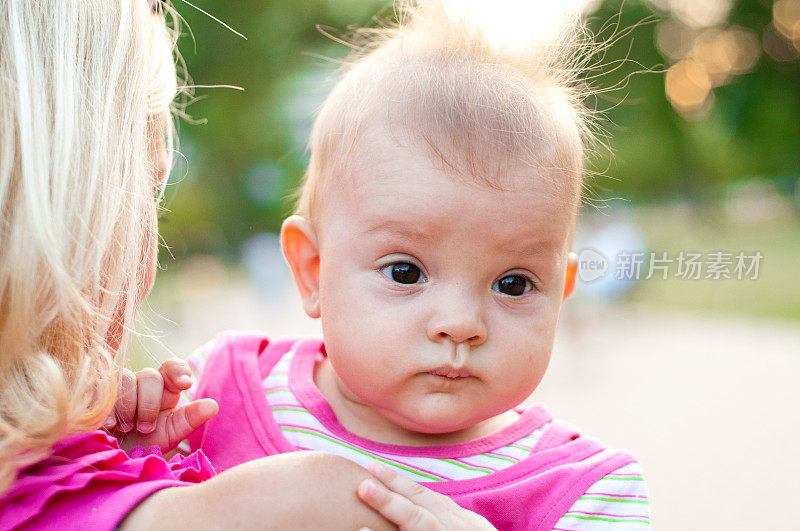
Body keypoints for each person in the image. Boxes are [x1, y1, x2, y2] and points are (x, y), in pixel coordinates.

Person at [0, 1, 481, 529]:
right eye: (150, 193)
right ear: (86, 217)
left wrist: (132, 464)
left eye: (511, 283)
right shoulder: (324, 505)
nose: (458, 322)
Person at [176, 1, 652, 529]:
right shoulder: (214, 397)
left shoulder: (582, 491)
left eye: (513, 283)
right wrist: (131, 448)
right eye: (406, 272)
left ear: (560, 293)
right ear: (313, 270)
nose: (461, 324)